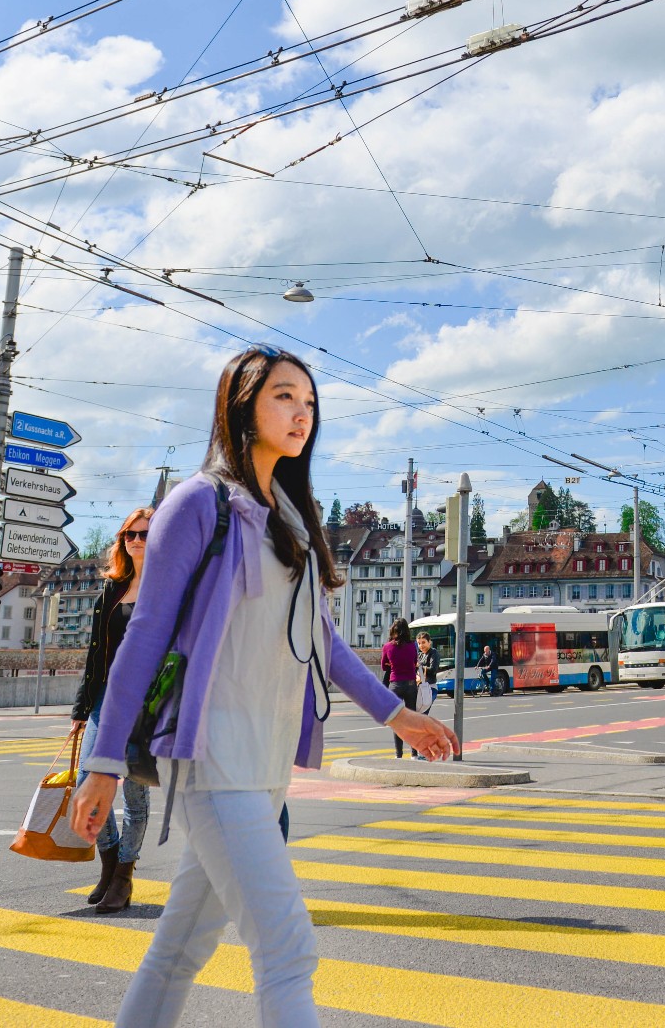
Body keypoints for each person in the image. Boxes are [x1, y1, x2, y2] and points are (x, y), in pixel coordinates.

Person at [70, 346, 457, 1028]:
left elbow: (323, 643)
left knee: (181, 945)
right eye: (284, 396)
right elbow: (145, 634)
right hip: (212, 759)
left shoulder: (292, 518)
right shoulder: (197, 504)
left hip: (267, 760)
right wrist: (102, 763)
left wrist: (397, 714)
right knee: (287, 949)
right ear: (242, 403)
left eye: (308, 402)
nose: (300, 412)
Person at [70, 507, 156, 915]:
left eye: (145, 534)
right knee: (88, 780)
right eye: (130, 535)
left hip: (150, 700)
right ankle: (108, 867)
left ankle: (124, 876)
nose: (137, 541)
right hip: (106, 697)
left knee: (135, 791)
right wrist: (81, 708)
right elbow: (95, 655)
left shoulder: (171, 586)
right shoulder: (112, 588)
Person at [382, 619, 421, 758]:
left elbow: (383, 666)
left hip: (395, 684)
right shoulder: (412, 646)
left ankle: (399, 755)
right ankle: (414, 754)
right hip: (410, 684)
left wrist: (392, 665)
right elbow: (415, 662)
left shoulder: (387, 647)